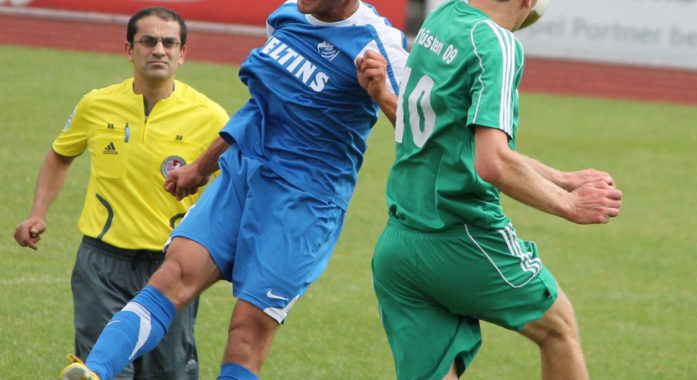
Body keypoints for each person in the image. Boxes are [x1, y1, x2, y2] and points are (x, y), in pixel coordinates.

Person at [58, 0, 408, 379]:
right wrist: (202, 167)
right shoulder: (287, 15)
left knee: (246, 332)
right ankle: (93, 373)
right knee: (172, 275)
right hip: (244, 174)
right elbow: (260, 106)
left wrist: (382, 95)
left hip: (304, 202)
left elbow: (424, 136)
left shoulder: (383, 45)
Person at [370, 0, 624, 379]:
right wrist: (570, 204)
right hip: (461, 236)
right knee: (558, 329)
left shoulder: (442, 18)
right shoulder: (497, 43)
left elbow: (443, 135)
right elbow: (492, 163)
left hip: (399, 248)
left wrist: (563, 178)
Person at [12, 6, 229, 380]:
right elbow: (60, 154)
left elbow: (237, 184)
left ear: (183, 54)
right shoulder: (97, 104)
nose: (158, 49)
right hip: (102, 264)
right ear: (129, 50)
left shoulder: (211, 117)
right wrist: (38, 212)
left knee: (170, 373)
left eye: (169, 42)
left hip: (173, 264)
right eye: (148, 41)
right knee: (103, 371)